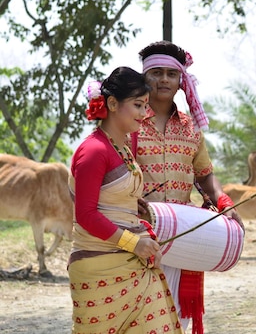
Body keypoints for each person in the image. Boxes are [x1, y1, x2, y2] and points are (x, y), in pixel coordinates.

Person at [133, 40, 244, 334]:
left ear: (181, 80)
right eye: (156, 72)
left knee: (177, 318)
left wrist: (223, 202)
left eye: (171, 73)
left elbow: (205, 176)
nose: (164, 80)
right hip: (135, 236)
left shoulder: (191, 127)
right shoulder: (127, 121)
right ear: (144, 76)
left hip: (182, 233)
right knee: (138, 316)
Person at [68, 67, 182, 334]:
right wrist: (134, 243)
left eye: (145, 105)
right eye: (138, 105)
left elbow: (118, 202)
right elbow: (85, 215)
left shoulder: (125, 145)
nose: (145, 113)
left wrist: (141, 223)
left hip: (136, 265)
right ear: (112, 103)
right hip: (100, 268)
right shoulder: (94, 150)